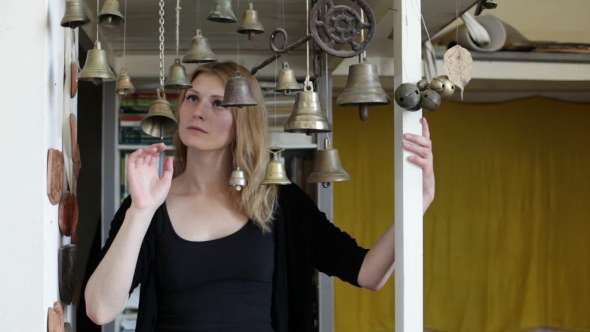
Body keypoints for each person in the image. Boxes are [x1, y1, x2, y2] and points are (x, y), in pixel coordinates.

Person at [85, 61, 436, 332]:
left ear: (244, 120)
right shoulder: (149, 203)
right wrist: (140, 211)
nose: (198, 110)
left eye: (219, 103)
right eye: (192, 97)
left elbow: (368, 274)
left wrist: (418, 201)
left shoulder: (280, 201)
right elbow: (99, 309)